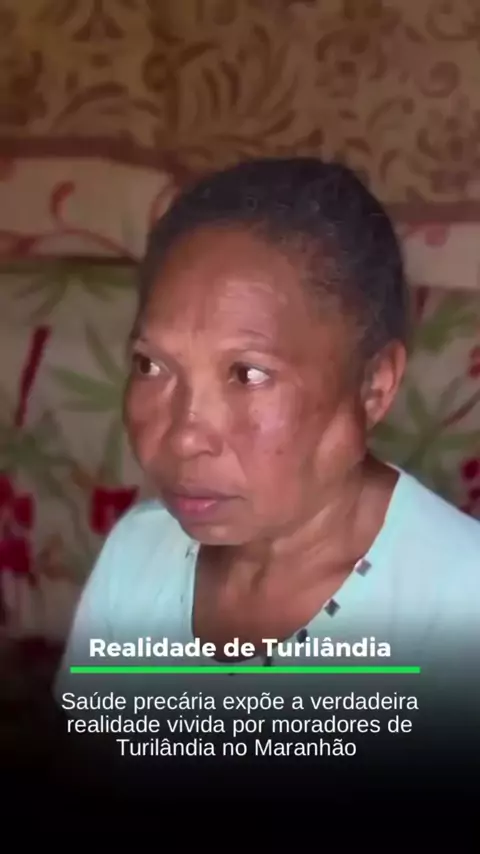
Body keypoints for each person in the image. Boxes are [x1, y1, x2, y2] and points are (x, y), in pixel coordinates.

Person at [54, 157, 480, 714]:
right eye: (151, 365)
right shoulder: (138, 555)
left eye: (248, 374)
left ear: (374, 385)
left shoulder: (458, 605)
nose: (184, 438)